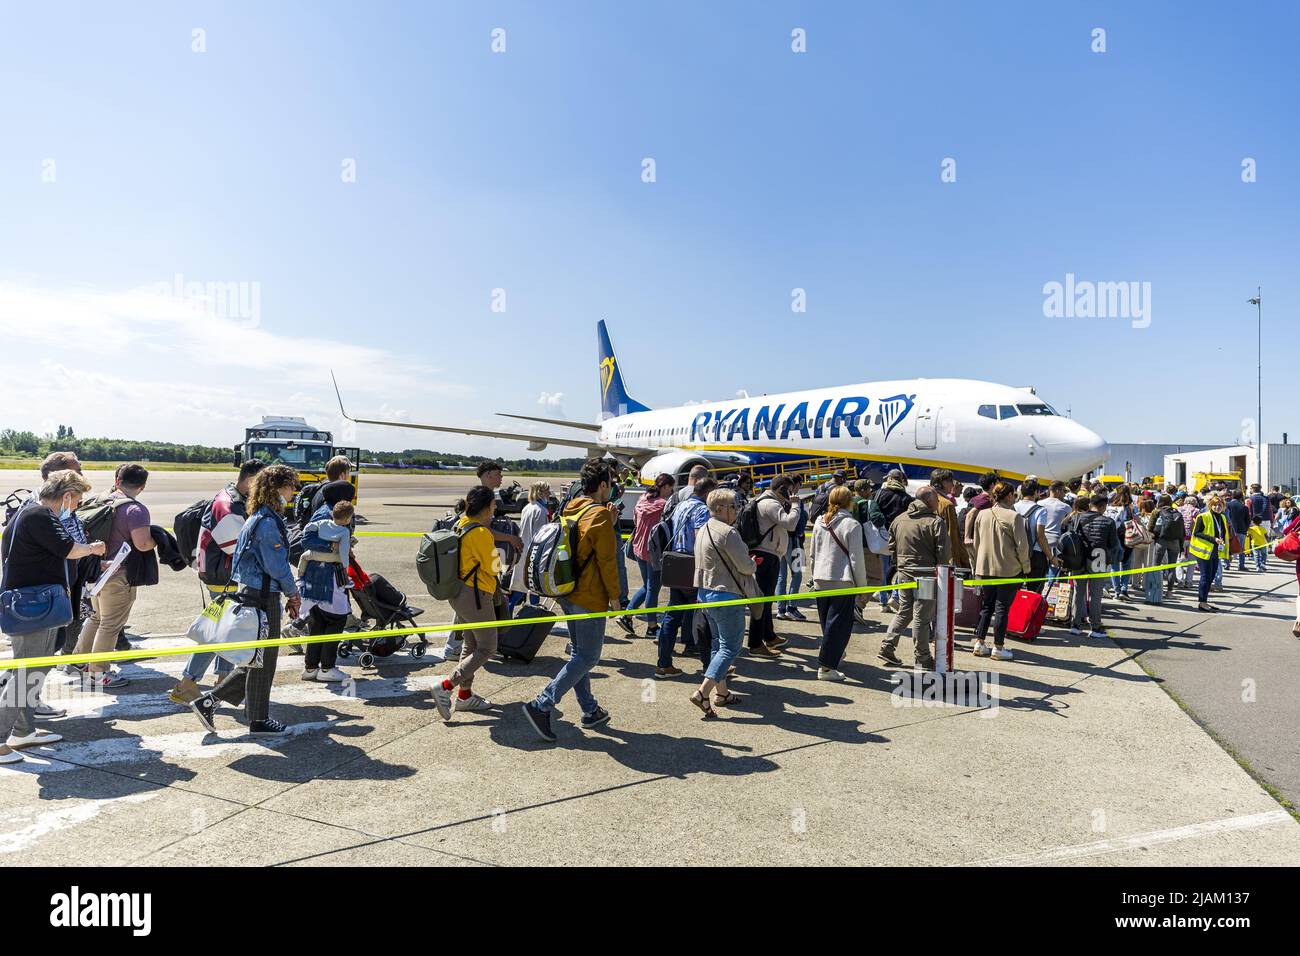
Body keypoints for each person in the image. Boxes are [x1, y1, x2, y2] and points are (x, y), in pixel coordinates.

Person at [0, 471, 105, 765]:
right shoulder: (40, 515)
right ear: (67, 496)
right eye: (77, 501)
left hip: (34, 604)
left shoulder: (31, 513)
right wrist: (94, 549)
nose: (75, 507)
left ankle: (23, 731)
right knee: (26, 672)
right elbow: (69, 550)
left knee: (35, 668)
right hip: (34, 606)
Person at [188, 465, 302, 735]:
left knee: (256, 658)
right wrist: (292, 592)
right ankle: (257, 720)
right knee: (264, 659)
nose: (294, 492)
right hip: (262, 596)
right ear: (277, 488)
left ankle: (211, 702)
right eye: (291, 486)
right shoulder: (267, 521)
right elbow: (276, 565)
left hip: (254, 592)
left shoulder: (258, 516)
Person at [522, 460, 620, 742]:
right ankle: (542, 703)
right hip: (589, 595)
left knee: (580, 654)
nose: (612, 488)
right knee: (588, 656)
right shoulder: (599, 514)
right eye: (610, 483)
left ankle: (590, 710)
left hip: (567, 590)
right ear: (602, 485)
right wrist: (615, 598)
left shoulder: (571, 506)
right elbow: (606, 561)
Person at [172, 459, 266, 704]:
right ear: (250, 480)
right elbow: (236, 546)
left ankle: (221, 682)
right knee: (219, 634)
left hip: (221, 574)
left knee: (225, 630)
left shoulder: (231, 497)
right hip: (223, 577)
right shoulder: (227, 505)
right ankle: (187, 684)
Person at [70, 463, 156, 689]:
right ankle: (98, 673)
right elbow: (143, 543)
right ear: (142, 487)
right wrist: (159, 540)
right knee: (110, 624)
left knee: (96, 617)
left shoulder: (101, 500)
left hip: (95, 569)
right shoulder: (135, 510)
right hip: (118, 573)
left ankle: (79, 660)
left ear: (118, 480)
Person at [431, 485, 504, 719]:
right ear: (484, 508)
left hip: (459, 593)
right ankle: (446, 686)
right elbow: (494, 567)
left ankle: (464, 696)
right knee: (488, 648)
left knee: (471, 646)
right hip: (476, 596)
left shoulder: (461, 524)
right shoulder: (481, 533)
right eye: (493, 505)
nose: (494, 510)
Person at [689, 489, 758, 716]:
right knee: (730, 647)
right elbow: (745, 566)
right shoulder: (728, 533)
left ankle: (722, 694)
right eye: (733, 506)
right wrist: (753, 564)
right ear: (720, 509)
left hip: (705, 594)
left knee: (719, 645)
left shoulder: (703, 529)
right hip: (726, 595)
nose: (736, 510)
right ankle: (703, 692)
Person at [878, 485, 949, 669]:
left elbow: (891, 546)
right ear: (929, 500)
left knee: (905, 611)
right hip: (926, 576)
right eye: (936, 499)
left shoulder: (899, 519)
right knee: (921, 618)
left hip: (903, 573)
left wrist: (901, 564)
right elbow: (943, 553)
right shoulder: (935, 522)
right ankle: (923, 657)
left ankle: (887, 645)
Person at [802, 486, 870, 679]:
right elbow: (857, 560)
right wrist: (863, 587)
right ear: (850, 502)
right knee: (839, 624)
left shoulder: (819, 522)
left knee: (828, 624)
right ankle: (826, 666)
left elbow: (813, 553)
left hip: (820, 578)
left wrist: (814, 576)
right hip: (842, 579)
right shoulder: (852, 524)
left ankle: (833, 654)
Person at [656, 476, 718, 675]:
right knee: (703, 618)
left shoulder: (681, 505)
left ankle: (663, 663)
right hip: (692, 565)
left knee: (672, 616)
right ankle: (710, 667)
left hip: (675, 563)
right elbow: (702, 540)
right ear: (708, 493)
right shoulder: (701, 510)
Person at [296, 499, 355, 683]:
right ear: (347, 518)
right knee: (337, 619)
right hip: (331, 578)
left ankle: (310, 667)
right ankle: (327, 667)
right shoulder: (344, 531)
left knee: (316, 623)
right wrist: (344, 567)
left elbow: (307, 532)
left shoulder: (321, 522)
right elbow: (344, 553)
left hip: (312, 575)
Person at [970, 481, 1029, 660]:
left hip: (985, 567)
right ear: (1009, 495)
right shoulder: (1014, 517)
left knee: (986, 606)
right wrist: (1026, 567)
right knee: (1002, 608)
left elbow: (976, 542)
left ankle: (979, 642)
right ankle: (998, 647)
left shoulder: (982, 514)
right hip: (1008, 569)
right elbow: (1022, 546)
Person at [745, 474, 801, 657]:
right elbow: (791, 524)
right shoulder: (770, 503)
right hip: (767, 555)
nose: (792, 494)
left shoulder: (765, 500)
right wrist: (796, 505)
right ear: (782, 489)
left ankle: (768, 635)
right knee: (763, 601)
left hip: (768, 554)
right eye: (789, 490)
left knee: (766, 599)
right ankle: (755, 643)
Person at [1066, 493, 1120, 638]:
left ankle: (1075, 625)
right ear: (1103, 506)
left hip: (1079, 559)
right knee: (1096, 595)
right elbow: (1113, 544)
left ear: (1090, 504)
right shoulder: (1108, 522)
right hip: (1098, 560)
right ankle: (1095, 627)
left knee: (1078, 592)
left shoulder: (1077, 518)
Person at [628, 473, 673, 631]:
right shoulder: (663, 504)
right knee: (653, 588)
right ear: (666, 486)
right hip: (653, 551)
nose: (671, 491)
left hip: (639, 547)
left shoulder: (642, 498)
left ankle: (627, 615)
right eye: (670, 488)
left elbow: (635, 520)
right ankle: (652, 626)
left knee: (647, 586)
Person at [508, 480, 552, 611]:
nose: (549, 493)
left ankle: (509, 613)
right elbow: (540, 536)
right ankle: (533, 615)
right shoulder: (540, 511)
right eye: (547, 491)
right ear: (541, 492)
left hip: (523, 550)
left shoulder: (527, 507)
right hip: (533, 554)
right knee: (535, 587)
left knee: (521, 587)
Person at [774, 473, 809, 621]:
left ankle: (780, 608)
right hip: (794, 541)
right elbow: (799, 524)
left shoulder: (778, 500)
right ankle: (792, 607)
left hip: (779, 542)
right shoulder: (795, 501)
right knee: (798, 574)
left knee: (781, 576)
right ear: (796, 484)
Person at [1189, 494, 1230, 612]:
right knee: (1205, 576)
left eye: (1219, 505)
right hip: (1205, 551)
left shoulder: (1222, 517)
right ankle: (1202, 602)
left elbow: (1222, 533)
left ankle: (1205, 600)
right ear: (1210, 506)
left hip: (1215, 551)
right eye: (1215, 505)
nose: (1217, 507)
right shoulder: (1203, 516)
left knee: (1211, 576)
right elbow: (1197, 533)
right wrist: (1214, 539)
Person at [1014, 479, 1055, 594]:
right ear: (1036, 492)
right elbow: (1040, 535)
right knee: (1034, 590)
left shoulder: (1013, 507)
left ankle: (1014, 612)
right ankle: (1030, 612)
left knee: (1013, 590)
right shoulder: (1040, 510)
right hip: (1035, 553)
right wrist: (1051, 557)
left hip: (1015, 552)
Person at [929, 469, 968, 569]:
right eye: (951, 481)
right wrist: (958, 561)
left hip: (929, 554)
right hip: (945, 558)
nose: (953, 484)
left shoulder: (925, 499)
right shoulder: (946, 505)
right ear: (943, 483)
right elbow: (952, 535)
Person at [1148, 494, 1185, 597]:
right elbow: (1182, 531)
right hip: (1175, 542)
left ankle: (1155, 590)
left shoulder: (1157, 512)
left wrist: (1155, 536)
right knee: (1172, 567)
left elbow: (1150, 528)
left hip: (1161, 540)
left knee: (1156, 565)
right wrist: (1181, 546)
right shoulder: (1177, 512)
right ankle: (1169, 591)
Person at [1104, 487, 1136, 600]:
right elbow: (1131, 522)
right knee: (1126, 565)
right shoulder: (1127, 508)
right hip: (1126, 539)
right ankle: (1123, 589)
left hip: (1112, 539)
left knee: (1114, 566)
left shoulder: (1108, 507)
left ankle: (1117, 592)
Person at [1225, 490, 1252, 573]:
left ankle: (1227, 564)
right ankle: (1241, 565)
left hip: (1229, 529)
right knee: (1241, 548)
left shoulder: (1227, 505)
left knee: (1227, 547)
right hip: (1241, 529)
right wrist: (1246, 528)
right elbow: (1248, 520)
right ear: (1241, 497)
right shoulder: (1244, 507)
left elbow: (1225, 516)